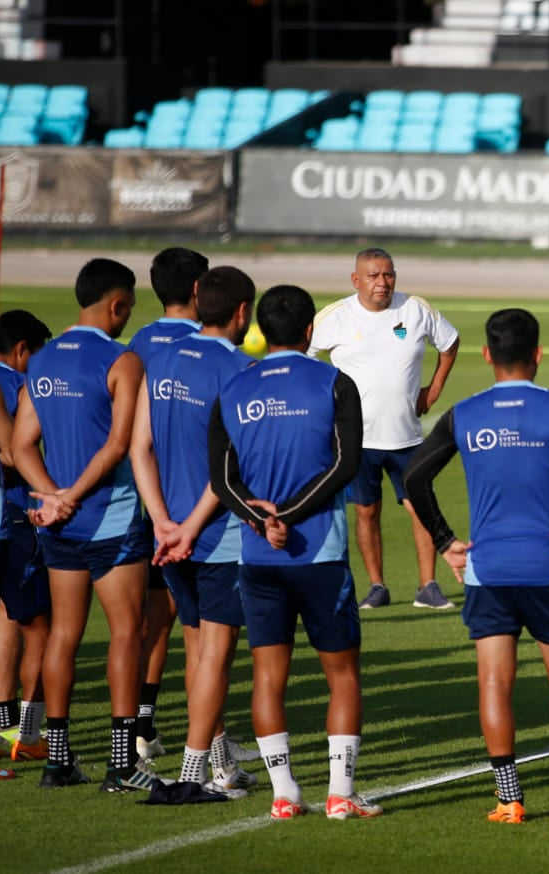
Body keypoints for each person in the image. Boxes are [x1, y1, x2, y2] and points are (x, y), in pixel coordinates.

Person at [402, 308, 549, 824]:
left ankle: (509, 798)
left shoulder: (465, 412)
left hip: (487, 570)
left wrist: (446, 542)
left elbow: (415, 478)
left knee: (493, 684)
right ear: (538, 355)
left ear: (487, 355)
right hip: (548, 568)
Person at [209, 285, 375, 821]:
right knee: (342, 675)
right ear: (310, 332)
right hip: (320, 553)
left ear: (261, 328)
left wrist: (263, 520)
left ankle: (285, 794)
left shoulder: (234, 388)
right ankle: (340, 794)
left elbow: (222, 478)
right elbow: (346, 465)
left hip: (258, 557)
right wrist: (290, 516)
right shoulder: (334, 382)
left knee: (267, 676)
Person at [10, 259, 156, 791]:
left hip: (58, 527)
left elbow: (20, 444)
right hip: (110, 519)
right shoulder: (123, 360)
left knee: (64, 634)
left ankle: (58, 758)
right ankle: (121, 765)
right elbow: (119, 446)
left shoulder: (43, 359)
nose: (127, 318)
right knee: (127, 633)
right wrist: (69, 495)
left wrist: (50, 496)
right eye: (129, 309)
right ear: (116, 306)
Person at [130, 265, 259, 797]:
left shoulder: (158, 358)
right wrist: (188, 527)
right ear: (242, 312)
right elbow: (229, 467)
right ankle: (191, 775)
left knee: (197, 649)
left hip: (167, 533)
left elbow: (139, 448)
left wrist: (161, 520)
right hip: (216, 534)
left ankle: (221, 765)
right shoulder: (240, 370)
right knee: (216, 657)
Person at [310, 247, 460, 612]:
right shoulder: (334, 317)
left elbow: (450, 343)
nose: (383, 283)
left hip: (406, 436)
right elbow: (305, 358)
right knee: (366, 512)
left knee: (419, 509)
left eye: (389, 274)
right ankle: (377, 586)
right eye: (374, 276)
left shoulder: (416, 310)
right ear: (356, 280)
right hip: (356, 440)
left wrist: (435, 386)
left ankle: (428, 586)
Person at [126, 246, 209, 760]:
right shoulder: (206, 344)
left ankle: (141, 725)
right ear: (200, 289)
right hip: (197, 503)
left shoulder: (137, 342)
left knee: (153, 617)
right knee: (202, 629)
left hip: (145, 499)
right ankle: (211, 744)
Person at [0, 311, 52, 770]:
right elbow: (13, 452)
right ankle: (25, 730)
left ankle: (8, 722)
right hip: (7, 518)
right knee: (41, 624)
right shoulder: (4, 381)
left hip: (1, 521)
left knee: (5, 616)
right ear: (22, 349)